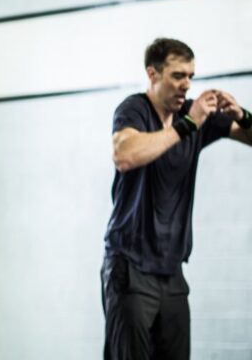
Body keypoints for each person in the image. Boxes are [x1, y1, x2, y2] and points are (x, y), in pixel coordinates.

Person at [101, 38, 252, 359]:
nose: (186, 85)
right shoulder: (135, 109)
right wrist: (189, 124)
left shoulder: (192, 114)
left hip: (171, 272)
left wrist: (244, 115)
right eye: (177, 75)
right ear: (153, 74)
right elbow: (124, 155)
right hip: (130, 267)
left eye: (191, 76)